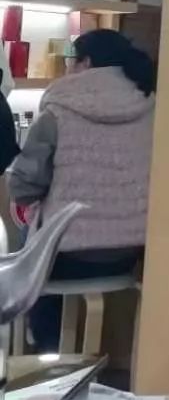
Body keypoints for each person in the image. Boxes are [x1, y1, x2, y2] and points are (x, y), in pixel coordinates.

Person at [8, 29, 156, 348]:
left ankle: (42, 349)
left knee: (30, 249)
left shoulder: (57, 110)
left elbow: (23, 186)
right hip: (129, 254)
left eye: (71, 60)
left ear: (85, 63)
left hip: (65, 256)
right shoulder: (150, 107)